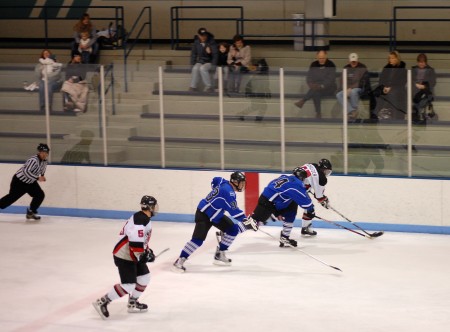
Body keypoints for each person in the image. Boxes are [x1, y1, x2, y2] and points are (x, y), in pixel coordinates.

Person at [172, 172, 258, 273]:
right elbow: (234, 211)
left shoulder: (222, 182)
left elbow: (215, 179)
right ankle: (179, 261)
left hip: (216, 216)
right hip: (204, 214)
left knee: (233, 230)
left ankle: (219, 255)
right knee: (197, 240)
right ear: (234, 182)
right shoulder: (229, 193)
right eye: (241, 183)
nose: (243, 185)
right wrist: (246, 220)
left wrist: (215, 192)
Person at [92, 195, 159, 319]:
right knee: (128, 285)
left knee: (144, 277)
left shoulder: (143, 218)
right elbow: (134, 242)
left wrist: (147, 252)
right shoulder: (140, 220)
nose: (155, 208)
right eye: (154, 206)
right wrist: (142, 256)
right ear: (150, 207)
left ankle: (132, 303)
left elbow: (141, 241)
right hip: (124, 256)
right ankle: (102, 302)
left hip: (133, 254)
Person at [249, 168, 316, 247]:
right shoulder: (296, 184)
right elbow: (306, 202)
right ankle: (234, 230)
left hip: (274, 201)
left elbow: (272, 186)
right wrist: (311, 210)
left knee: (292, 208)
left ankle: (285, 237)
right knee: (252, 223)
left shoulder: (285, 177)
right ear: (302, 177)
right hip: (268, 202)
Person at [0, 143, 50, 220]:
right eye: (42, 152)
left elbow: (42, 169)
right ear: (39, 152)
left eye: (46, 153)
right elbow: (26, 172)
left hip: (31, 182)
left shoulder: (44, 161)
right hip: (20, 182)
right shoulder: (33, 160)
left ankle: (31, 212)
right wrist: (37, 178)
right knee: (10, 198)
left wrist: (42, 175)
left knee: (40, 195)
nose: (44, 154)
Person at [294, 50, 337, 118]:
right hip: (316, 87)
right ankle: (318, 113)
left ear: (326, 56)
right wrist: (310, 84)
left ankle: (303, 100)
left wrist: (322, 86)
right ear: (317, 57)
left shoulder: (331, 65)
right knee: (316, 92)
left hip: (328, 88)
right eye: (320, 58)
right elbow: (309, 76)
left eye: (323, 58)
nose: (321, 60)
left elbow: (330, 80)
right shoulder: (313, 64)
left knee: (316, 90)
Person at [298, 158, 333, 236]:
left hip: (291, 183)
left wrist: (308, 187)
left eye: (328, 172)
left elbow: (306, 177)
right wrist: (325, 200)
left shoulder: (311, 164)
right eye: (326, 171)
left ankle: (305, 228)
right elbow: (319, 197)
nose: (326, 173)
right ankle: (306, 228)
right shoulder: (321, 178)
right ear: (322, 169)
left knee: (308, 207)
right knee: (310, 209)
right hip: (297, 189)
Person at [373, 51, 407, 120]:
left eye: (392, 58)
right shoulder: (386, 69)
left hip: (398, 88)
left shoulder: (403, 70)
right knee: (376, 94)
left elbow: (401, 82)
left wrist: (390, 88)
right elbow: (381, 80)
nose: (390, 60)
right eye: (390, 58)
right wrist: (384, 87)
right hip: (386, 88)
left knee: (392, 94)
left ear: (397, 59)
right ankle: (375, 115)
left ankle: (395, 117)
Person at [336, 53, 371, 120]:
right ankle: (352, 111)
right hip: (348, 88)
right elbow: (342, 80)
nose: (353, 63)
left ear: (357, 60)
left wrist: (351, 88)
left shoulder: (362, 67)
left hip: (360, 88)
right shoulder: (346, 68)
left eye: (355, 61)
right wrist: (346, 89)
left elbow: (363, 82)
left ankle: (354, 109)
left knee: (353, 92)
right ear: (349, 61)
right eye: (352, 61)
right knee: (339, 95)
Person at [189, 27, 218, 93]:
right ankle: (193, 86)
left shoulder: (211, 42)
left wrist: (213, 64)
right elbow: (193, 54)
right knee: (195, 68)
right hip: (201, 61)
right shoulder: (196, 43)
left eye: (204, 35)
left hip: (209, 61)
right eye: (202, 36)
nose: (203, 37)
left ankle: (209, 86)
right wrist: (192, 64)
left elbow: (215, 54)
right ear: (199, 35)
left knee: (203, 68)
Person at [411, 53, 436, 122]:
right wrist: (416, 85)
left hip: (425, 89)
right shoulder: (413, 69)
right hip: (415, 88)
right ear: (417, 62)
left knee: (426, 95)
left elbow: (433, 82)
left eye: (423, 62)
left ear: (425, 62)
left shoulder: (430, 70)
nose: (421, 64)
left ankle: (418, 111)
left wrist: (424, 86)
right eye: (419, 62)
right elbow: (410, 79)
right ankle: (417, 112)